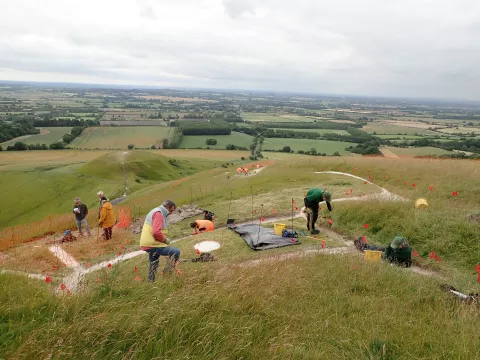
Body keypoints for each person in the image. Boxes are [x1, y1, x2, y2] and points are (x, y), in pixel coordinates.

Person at [140, 200, 181, 282]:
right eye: (171, 210)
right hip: (153, 244)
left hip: (147, 243)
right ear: (167, 207)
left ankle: (150, 282)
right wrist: (165, 240)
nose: (171, 213)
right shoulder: (158, 214)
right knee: (176, 252)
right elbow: (156, 232)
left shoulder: (155, 211)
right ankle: (166, 273)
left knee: (154, 263)